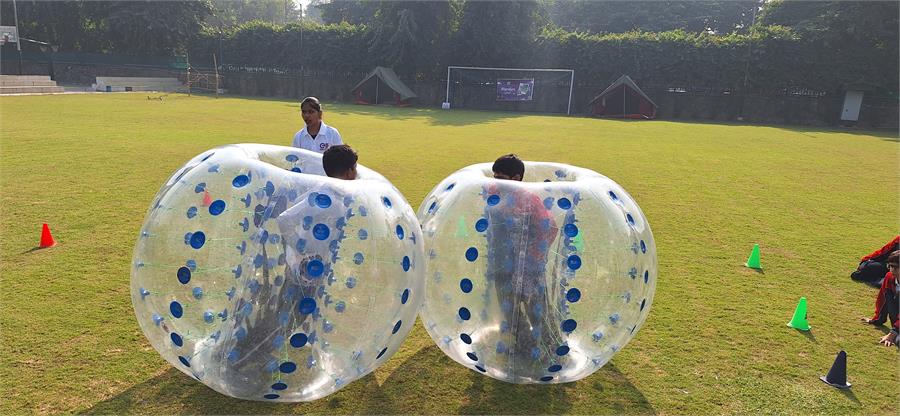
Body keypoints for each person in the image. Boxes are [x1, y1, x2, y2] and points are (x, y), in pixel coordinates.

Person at [484, 154, 559, 376]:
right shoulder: (494, 192)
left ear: (516, 178)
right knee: (509, 307)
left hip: (527, 267)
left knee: (537, 307)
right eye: (495, 177)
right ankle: (525, 346)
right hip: (502, 263)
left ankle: (551, 346)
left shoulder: (529, 200)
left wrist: (533, 258)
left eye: (501, 177)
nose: (496, 181)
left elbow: (550, 227)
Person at [861, 250, 899, 347]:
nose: (892, 270)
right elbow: (883, 299)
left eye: (896, 267)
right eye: (890, 266)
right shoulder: (889, 277)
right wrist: (877, 319)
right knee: (888, 294)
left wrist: (893, 333)